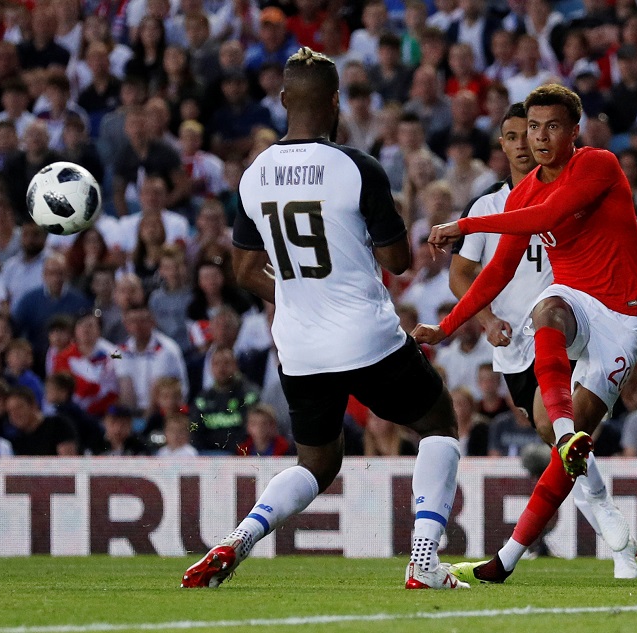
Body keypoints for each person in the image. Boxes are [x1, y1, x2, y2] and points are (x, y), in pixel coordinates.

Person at [182, 48, 465, 591]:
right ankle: (424, 560)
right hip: (365, 335)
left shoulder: (255, 172)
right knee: (438, 424)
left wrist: (292, 291)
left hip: (299, 345)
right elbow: (397, 261)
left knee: (316, 462)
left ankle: (238, 539)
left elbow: (243, 267)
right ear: (336, 102)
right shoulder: (358, 168)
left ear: (284, 100)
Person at [415, 84, 637, 583]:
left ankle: (509, 556)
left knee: (572, 435)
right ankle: (570, 442)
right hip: (574, 302)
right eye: (533, 128)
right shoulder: (522, 192)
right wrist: (444, 328)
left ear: (573, 132)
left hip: (623, 316)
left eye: (552, 127)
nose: (540, 138)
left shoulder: (598, 164)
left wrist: (464, 221)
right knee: (549, 309)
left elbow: (547, 216)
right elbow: (495, 272)